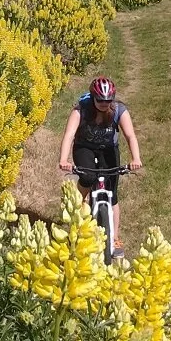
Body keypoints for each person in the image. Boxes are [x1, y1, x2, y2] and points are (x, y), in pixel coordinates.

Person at [58, 76, 143, 258]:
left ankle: (115, 238)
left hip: (108, 149)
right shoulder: (80, 110)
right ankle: (76, 204)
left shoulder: (119, 110)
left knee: (112, 191)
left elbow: (130, 136)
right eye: (100, 100)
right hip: (84, 147)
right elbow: (69, 135)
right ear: (93, 97)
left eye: (108, 100)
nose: (104, 104)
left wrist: (136, 158)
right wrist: (63, 159)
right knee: (87, 177)